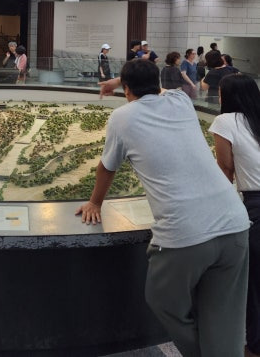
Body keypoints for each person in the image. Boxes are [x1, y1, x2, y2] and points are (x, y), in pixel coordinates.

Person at [77, 59, 250, 357]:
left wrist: (95, 202)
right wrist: (122, 82)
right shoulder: (181, 101)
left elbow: (107, 167)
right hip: (235, 223)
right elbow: (158, 88)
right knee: (224, 315)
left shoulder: (121, 117)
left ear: (127, 89)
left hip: (185, 234)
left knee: (162, 300)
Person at [209, 74, 260, 357]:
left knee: (254, 284)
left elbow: (225, 170)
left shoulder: (225, 122)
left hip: (256, 205)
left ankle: (255, 347)